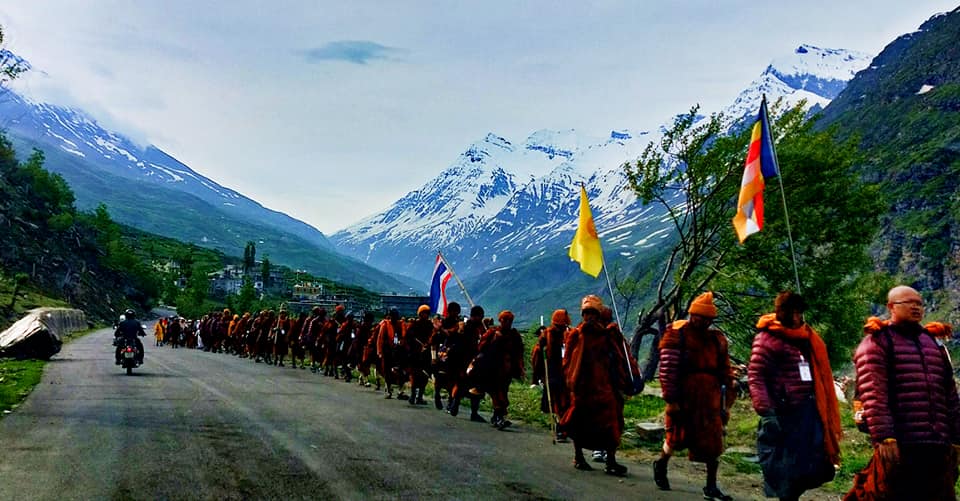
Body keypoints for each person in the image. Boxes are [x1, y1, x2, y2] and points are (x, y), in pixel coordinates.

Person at [844, 285, 960, 501]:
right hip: (902, 443)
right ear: (891, 307)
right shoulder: (877, 341)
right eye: (909, 303)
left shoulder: (933, 343)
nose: (916, 307)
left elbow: (950, 395)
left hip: (937, 443)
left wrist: (955, 437)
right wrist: (885, 438)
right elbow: (873, 393)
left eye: (919, 303)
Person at [749, 291, 840, 501]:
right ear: (783, 312)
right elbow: (756, 376)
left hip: (808, 410)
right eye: (794, 313)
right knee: (787, 467)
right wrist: (766, 411)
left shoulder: (804, 338)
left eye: (800, 313)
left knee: (816, 466)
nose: (798, 318)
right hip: (783, 413)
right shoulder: (766, 338)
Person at [653, 291, 736, 501]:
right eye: (700, 316)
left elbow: (725, 370)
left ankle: (711, 486)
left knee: (713, 442)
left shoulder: (716, 340)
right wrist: (671, 400)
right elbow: (668, 370)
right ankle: (661, 463)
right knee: (676, 437)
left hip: (710, 399)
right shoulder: (677, 334)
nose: (704, 321)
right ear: (692, 314)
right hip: (684, 397)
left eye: (708, 318)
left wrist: (727, 400)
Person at [560, 296, 637, 477]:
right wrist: (571, 382)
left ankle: (611, 461)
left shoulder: (606, 335)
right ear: (582, 315)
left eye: (593, 314)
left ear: (599, 315)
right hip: (583, 388)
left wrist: (623, 381)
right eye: (586, 314)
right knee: (580, 422)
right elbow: (568, 361)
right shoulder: (575, 335)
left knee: (611, 422)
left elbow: (618, 358)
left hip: (604, 388)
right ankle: (578, 456)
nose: (590, 318)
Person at [473, 310, 524, 430]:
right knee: (497, 393)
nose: (507, 323)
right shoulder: (493, 332)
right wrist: (495, 340)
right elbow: (481, 347)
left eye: (509, 321)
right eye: (504, 320)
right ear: (500, 320)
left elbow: (519, 352)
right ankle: (499, 417)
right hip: (492, 368)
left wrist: (520, 367)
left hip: (507, 368)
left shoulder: (514, 335)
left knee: (503, 391)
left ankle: (497, 416)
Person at [531, 309, 571, 442]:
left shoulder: (567, 334)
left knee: (563, 402)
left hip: (564, 373)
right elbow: (538, 353)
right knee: (558, 402)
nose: (562, 327)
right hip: (553, 373)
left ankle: (562, 426)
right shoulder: (547, 335)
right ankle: (560, 428)